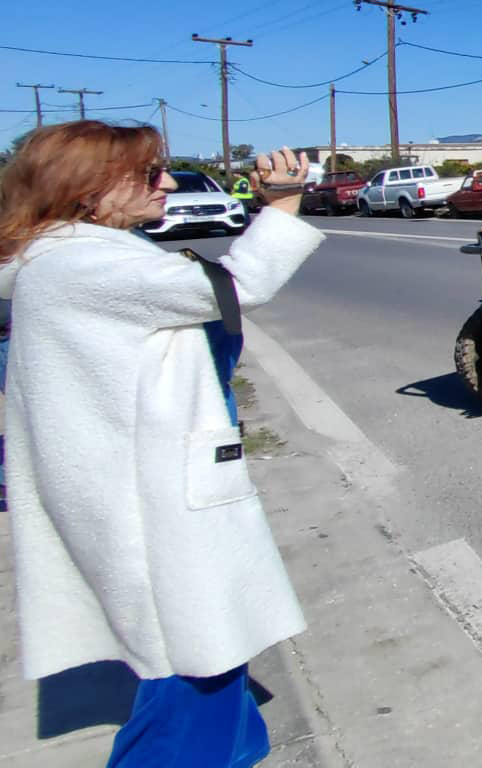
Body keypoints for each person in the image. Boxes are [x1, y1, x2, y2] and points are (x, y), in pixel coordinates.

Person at [0, 122, 321, 766]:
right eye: (149, 175)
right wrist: (282, 204)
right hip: (150, 504)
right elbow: (236, 289)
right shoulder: (84, 264)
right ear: (86, 187)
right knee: (192, 662)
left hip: (138, 486)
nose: (168, 184)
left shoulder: (64, 255)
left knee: (210, 664)